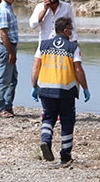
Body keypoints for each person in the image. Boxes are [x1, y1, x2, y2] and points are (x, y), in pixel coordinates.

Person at [31, 17, 90, 165]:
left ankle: (45, 141)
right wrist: (85, 88)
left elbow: (35, 67)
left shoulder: (43, 45)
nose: (72, 31)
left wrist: (34, 86)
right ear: (65, 31)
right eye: (71, 29)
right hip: (66, 90)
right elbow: (78, 69)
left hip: (45, 89)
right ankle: (65, 155)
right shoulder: (73, 47)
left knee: (48, 117)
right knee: (67, 121)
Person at [0, 0, 19, 118]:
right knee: (4, 79)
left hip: (10, 46)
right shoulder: (3, 10)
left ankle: (8, 106)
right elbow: (3, 34)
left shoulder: (9, 8)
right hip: (5, 47)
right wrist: (11, 53)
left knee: (13, 79)